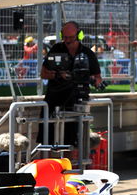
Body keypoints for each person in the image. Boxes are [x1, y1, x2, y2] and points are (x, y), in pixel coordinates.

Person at [40, 21, 102, 156]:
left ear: (79, 35)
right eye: (65, 37)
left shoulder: (88, 53)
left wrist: (91, 80)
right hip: (54, 99)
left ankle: (69, 170)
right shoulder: (56, 49)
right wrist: (58, 75)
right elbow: (43, 73)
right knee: (46, 138)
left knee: (72, 140)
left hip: (77, 101)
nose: (67, 41)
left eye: (70, 38)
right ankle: (45, 167)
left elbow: (98, 78)